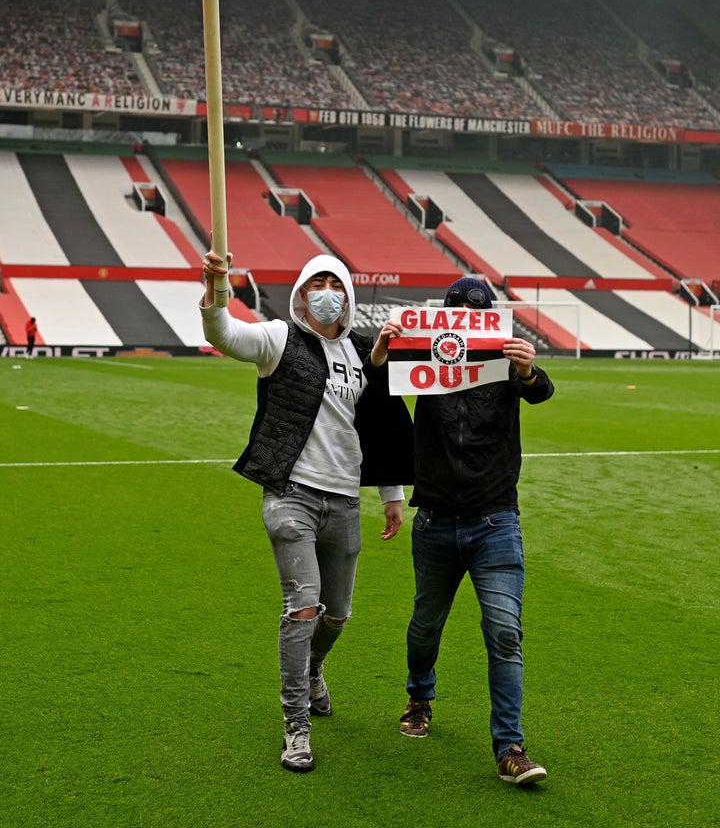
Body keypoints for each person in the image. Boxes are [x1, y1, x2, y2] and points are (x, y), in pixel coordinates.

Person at [201, 249, 414, 774]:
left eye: (335, 283)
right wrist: (215, 288)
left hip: (343, 500)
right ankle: (296, 726)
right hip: (290, 494)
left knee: (336, 615)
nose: (327, 291)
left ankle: (316, 666)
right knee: (302, 607)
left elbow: (382, 427)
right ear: (301, 292)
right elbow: (224, 334)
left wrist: (391, 495)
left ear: (348, 294)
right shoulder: (278, 339)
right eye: (317, 282)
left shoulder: (366, 353)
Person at [370, 276, 555, 787]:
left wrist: (530, 369)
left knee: (504, 632)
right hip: (434, 518)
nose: (466, 318)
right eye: (457, 310)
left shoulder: (504, 362)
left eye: (476, 311)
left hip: (495, 519)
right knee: (426, 623)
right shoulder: (428, 360)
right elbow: (378, 387)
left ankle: (510, 746)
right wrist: (383, 352)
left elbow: (541, 392)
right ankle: (419, 696)